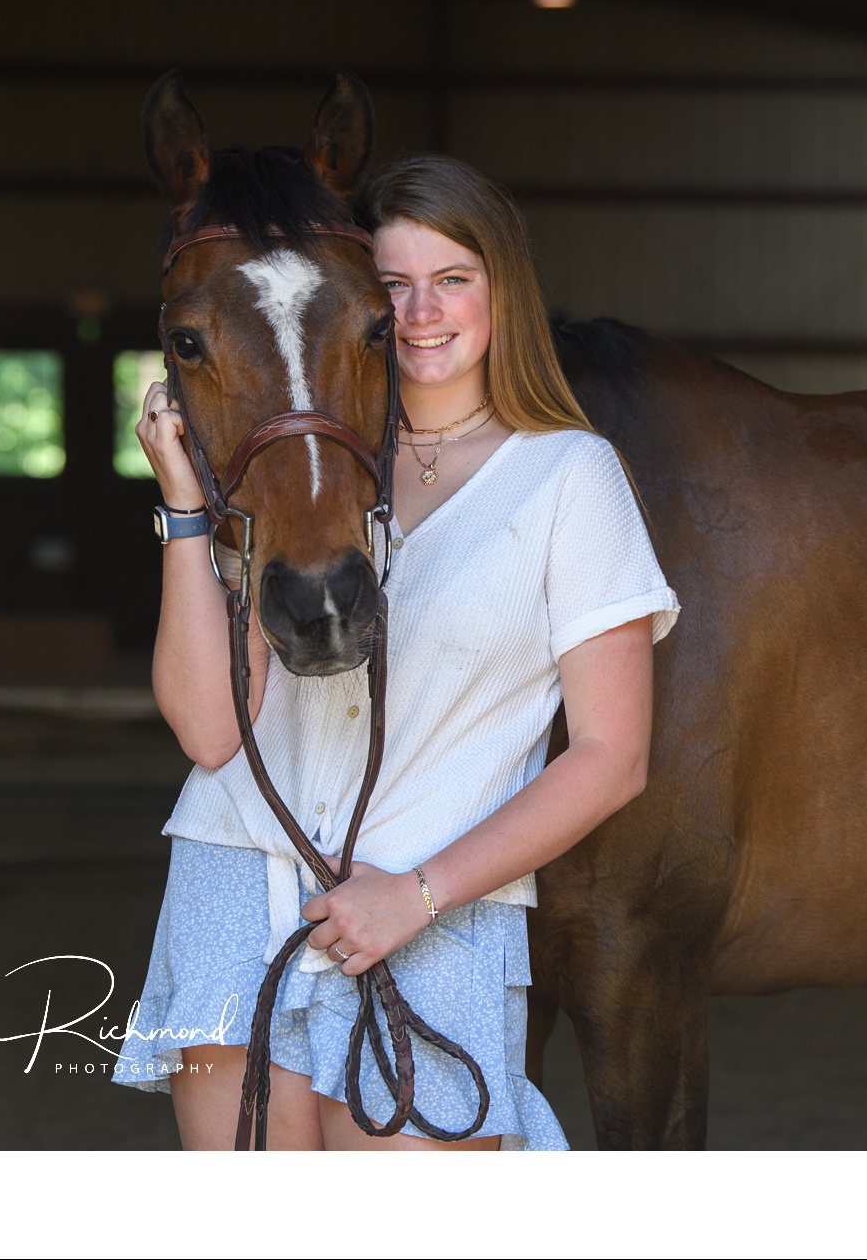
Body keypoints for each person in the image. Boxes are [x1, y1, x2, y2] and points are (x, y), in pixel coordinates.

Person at [111, 155, 679, 1150]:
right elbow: (210, 729)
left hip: (432, 910)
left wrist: (416, 893)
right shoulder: (302, 464)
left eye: (451, 278)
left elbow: (610, 757)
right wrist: (187, 510)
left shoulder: (567, 476)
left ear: (502, 293)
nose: (419, 311)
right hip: (237, 884)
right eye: (391, 283)